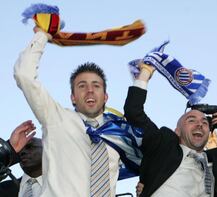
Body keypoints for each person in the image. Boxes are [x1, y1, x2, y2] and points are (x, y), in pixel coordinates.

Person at [14, 28, 142, 196]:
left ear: (105, 96)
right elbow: (24, 75)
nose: (89, 90)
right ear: (73, 97)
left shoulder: (122, 133)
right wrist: (42, 35)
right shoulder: (56, 118)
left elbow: (156, 160)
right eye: (82, 86)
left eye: (96, 85)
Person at [123, 62, 217, 197]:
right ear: (177, 131)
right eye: (191, 120)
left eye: (204, 122)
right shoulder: (163, 145)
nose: (199, 124)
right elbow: (134, 112)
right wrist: (145, 73)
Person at [0, 120, 36, 197]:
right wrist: (9, 150)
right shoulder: (7, 190)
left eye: (31, 147)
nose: (24, 152)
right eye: (21, 151)